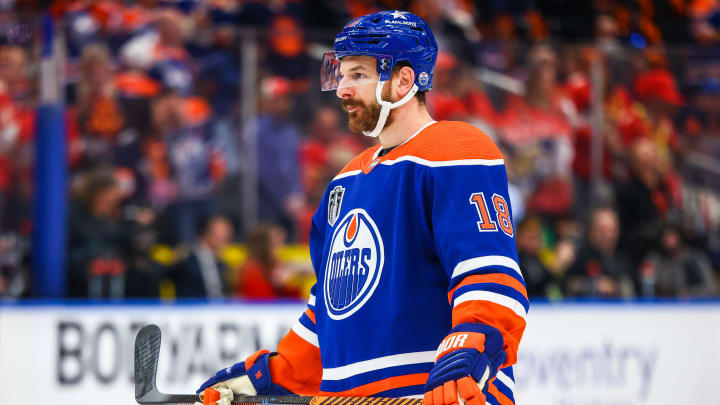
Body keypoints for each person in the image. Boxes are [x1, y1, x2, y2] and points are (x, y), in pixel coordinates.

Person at [196, 11, 527, 405]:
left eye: (358, 75)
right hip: (347, 397)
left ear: (404, 80)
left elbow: (488, 273)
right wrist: (278, 373)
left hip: (434, 393)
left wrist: (470, 348)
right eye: (341, 75)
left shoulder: (456, 151)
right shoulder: (344, 182)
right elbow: (330, 307)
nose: (342, 90)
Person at [172, 215, 234, 298]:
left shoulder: (223, 264)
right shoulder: (187, 259)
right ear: (207, 234)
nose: (225, 237)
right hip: (192, 308)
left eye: (227, 235)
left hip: (219, 309)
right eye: (220, 236)